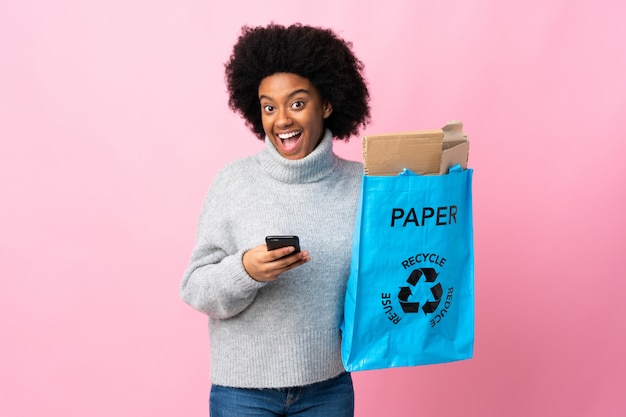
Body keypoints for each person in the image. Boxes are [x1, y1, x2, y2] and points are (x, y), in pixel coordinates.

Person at [180, 22, 371, 417]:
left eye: (297, 103)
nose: (281, 119)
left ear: (328, 104)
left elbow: (385, 275)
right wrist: (245, 270)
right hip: (242, 393)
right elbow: (195, 288)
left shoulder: (361, 186)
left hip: (328, 388)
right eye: (270, 106)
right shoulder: (233, 182)